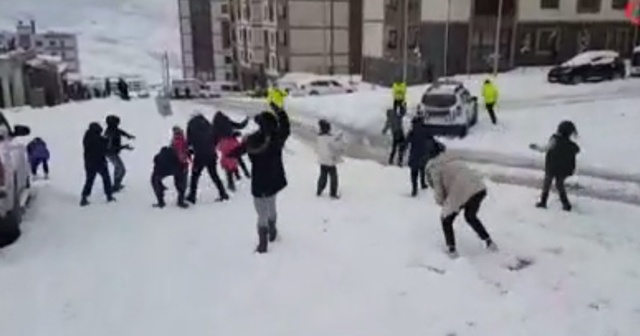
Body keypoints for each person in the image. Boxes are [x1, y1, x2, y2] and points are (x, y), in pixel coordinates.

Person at [231, 105, 291, 253]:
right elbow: (286, 126)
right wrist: (280, 111)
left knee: (261, 213)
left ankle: (263, 243)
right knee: (272, 205)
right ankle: (273, 230)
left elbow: (233, 154)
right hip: (274, 180)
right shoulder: (277, 138)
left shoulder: (252, 140)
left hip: (259, 182)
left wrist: (239, 142)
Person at [425, 142, 497, 258]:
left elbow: (438, 189)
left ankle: (452, 250)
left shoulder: (435, 167)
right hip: (479, 188)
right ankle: (489, 242)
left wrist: (441, 202)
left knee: (446, 219)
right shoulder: (454, 158)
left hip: (461, 191)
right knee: (470, 216)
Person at [530, 120, 580, 212]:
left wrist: (535, 147)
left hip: (551, 168)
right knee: (559, 185)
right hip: (562, 170)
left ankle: (543, 201)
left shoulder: (555, 140)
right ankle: (566, 204)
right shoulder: (571, 145)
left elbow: (545, 148)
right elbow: (576, 151)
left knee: (547, 184)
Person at [186, 113, 229, 203]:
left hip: (199, 155)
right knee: (214, 175)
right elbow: (216, 139)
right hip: (211, 154)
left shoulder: (191, 126)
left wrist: (192, 150)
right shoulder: (209, 125)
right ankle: (223, 193)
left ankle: (192, 196)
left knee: (195, 176)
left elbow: (189, 142)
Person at [81, 122, 115, 206]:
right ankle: (109, 195)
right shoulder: (97, 139)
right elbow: (104, 148)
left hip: (88, 162)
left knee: (89, 180)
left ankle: (84, 197)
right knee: (106, 178)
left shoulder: (87, 137)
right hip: (99, 162)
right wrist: (108, 139)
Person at [406, 116, 437, 197]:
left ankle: (414, 189)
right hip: (423, 154)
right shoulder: (426, 130)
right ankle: (423, 183)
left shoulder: (412, 132)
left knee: (414, 172)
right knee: (422, 168)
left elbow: (407, 141)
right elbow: (432, 141)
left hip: (414, 154)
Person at [315, 119, 346, 199]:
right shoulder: (330, 139)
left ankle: (319, 190)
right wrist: (340, 138)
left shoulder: (319, 137)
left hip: (322, 161)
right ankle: (333, 193)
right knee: (333, 178)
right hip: (330, 162)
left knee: (323, 176)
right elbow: (337, 147)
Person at [104, 115, 135, 192]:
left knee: (118, 168)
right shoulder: (110, 133)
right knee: (121, 169)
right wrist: (124, 147)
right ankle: (115, 186)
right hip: (111, 153)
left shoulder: (113, 129)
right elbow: (110, 147)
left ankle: (116, 184)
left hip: (113, 152)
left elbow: (120, 132)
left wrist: (128, 135)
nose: (118, 124)